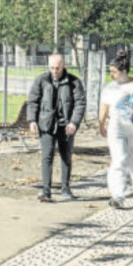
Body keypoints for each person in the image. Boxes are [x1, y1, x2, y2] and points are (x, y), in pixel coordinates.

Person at [27, 54, 87, 202]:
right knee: (46, 157)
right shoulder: (41, 81)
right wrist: (32, 120)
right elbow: (33, 101)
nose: (55, 71)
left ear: (63, 66)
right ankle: (46, 191)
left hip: (66, 126)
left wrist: (74, 122)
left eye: (58, 68)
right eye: (52, 68)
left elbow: (80, 103)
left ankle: (66, 188)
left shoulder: (74, 82)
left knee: (66, 157)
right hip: (46, 125)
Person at [99, 50, 133, 209]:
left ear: (123, 71)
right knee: (119, 159)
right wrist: (101, 124)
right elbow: (104, 107)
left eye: (114, 72)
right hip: (116, 127)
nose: (111, 75)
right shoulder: (109, 88)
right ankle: (118, 195)